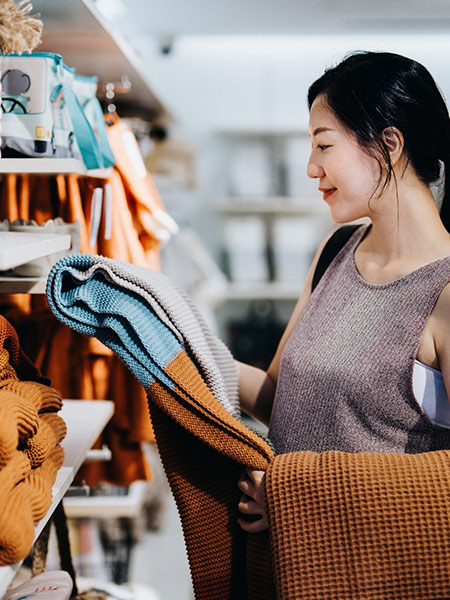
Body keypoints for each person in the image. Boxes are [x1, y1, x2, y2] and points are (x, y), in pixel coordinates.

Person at [235, 50, 450, 533]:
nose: (312, 168)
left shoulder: (445, 290)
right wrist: (166, 339)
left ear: (389, 143)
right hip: (288, 563)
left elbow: (444, 480)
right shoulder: (335, 251)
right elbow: (278, 398)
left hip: (373, 573)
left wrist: (299, 499)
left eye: (323, 145)